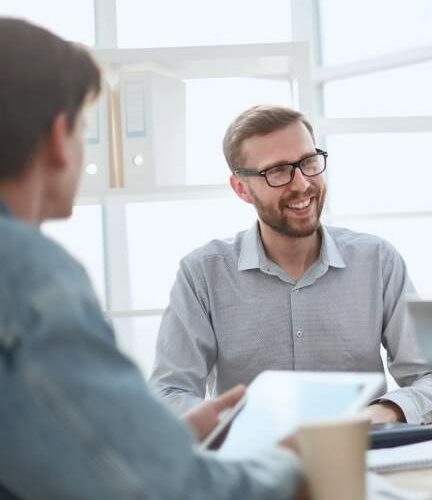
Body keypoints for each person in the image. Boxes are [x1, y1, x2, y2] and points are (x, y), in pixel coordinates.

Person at [0, 18, 305, 499]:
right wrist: (289, 463)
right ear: (60, 137)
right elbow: (171, 491)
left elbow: (40, 445)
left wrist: (168, 441)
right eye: (85, 128)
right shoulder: (28, 275)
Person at [150, 105, 432, 425]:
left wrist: (380, 413)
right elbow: (169, 392)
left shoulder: (378, 262)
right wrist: (240, 423)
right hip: (250, 467)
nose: (302, 183)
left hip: (364, 460)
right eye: (277, 171)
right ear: (241, 188)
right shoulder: (202, 275)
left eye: (308, 162)